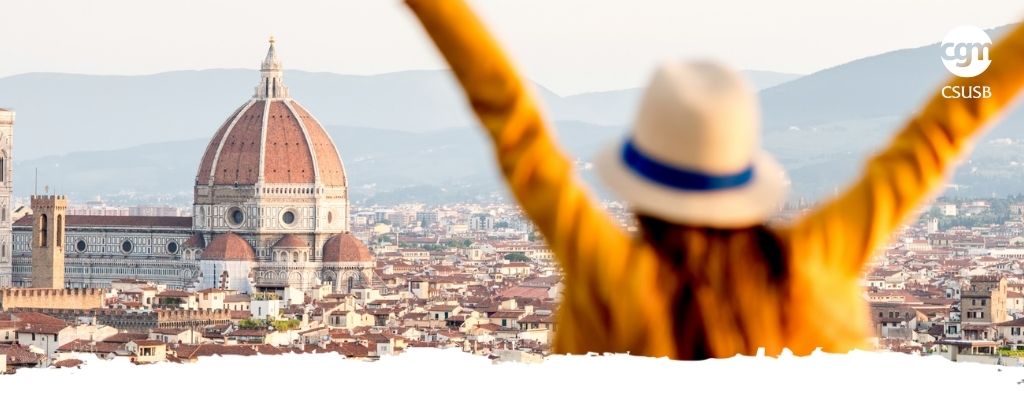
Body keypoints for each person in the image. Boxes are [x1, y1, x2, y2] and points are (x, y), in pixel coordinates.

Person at [404, 0, 1024, 360]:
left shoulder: (613, 282)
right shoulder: (815, 265)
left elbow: (514, 126)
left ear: (641, 188)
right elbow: (939, 133)